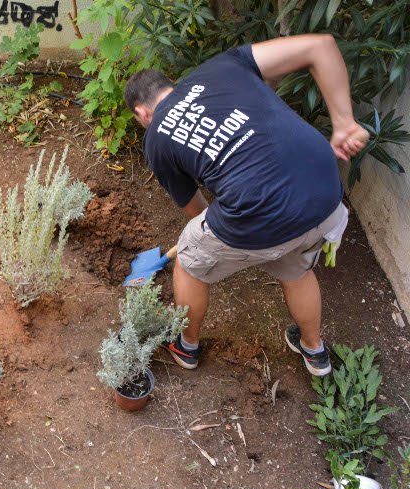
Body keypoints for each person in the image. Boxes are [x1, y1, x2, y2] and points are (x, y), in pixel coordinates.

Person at [124, 34, 369, 376]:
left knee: (191, 260)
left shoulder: (156, 139)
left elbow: (197, 210)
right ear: (175, 84)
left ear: (142, 113)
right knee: (295, 265)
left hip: (264, 213)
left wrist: (222, 243)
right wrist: (344, 123)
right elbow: (322, 45)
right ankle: (314, 350)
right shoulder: (223, 65)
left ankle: (186, 346)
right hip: (325, 191)